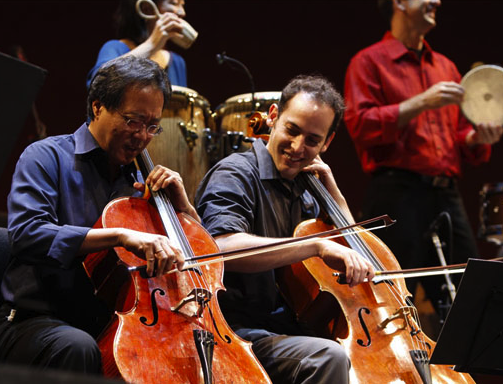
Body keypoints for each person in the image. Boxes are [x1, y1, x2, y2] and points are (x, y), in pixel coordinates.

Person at [0, 56, 198, 374]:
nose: (142, 136)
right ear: (97, 107)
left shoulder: (142, 184)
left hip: (114, 324)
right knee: (77, 346)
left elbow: (194, 264)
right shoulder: (45, 157)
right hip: (35, 320)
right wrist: (120, 236)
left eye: (152, 126)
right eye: (133, 121)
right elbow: (27, 234)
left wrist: (183, 209)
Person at [196, 75, 375, 384]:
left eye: (312, 140)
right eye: (292, 130)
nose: (297, 147)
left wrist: (338, 200)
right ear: (273, 116)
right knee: (328, 357)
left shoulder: (307, 191)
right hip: (234, 331)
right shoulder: (235, 173)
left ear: (327, 143)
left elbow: (362, 254)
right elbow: (220, 248)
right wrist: (316, 246)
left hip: (289, 331)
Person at [344, 0, 503, 315]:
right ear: (399, 3)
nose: (437, 1)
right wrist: (420, 103)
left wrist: (476, 137)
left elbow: (458, 135)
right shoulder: (368, 61)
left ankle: (460, 366)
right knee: (390, 301)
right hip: (398, 195)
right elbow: (361, 126)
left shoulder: (445, 67)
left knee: (471, 298)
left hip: (445, 195)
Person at [86, 0, 190, 89]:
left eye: (183, 5)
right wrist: (152, 45)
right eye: (174, 3)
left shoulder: (177, 62)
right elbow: (98, 85)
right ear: (147, 8)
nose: (182, 12)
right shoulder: (115, 48)